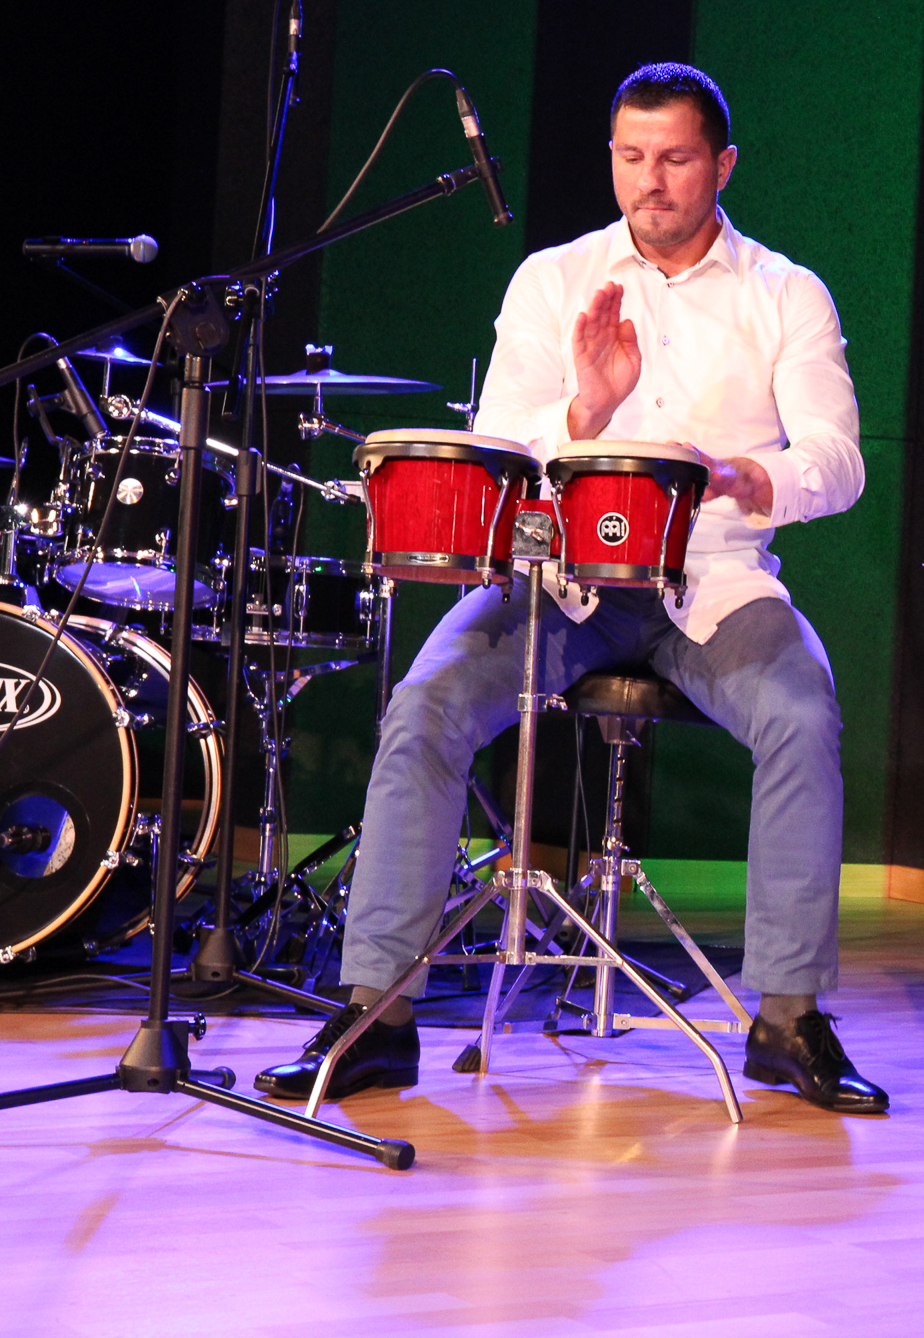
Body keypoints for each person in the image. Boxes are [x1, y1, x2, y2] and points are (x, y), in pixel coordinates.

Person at [257, 62, 887, 1114]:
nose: (651, 181)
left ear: (722, 164)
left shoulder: (786, 292)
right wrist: (586, 413)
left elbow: (840, 457)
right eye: (631, 158)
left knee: (802, 713)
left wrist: (751, 476)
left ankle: (788, 1019)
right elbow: (501, 443)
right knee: (424, 705)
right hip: (564, 579)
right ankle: (376, 1013)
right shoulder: (554, 280)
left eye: (675, 158)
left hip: (713, 577)